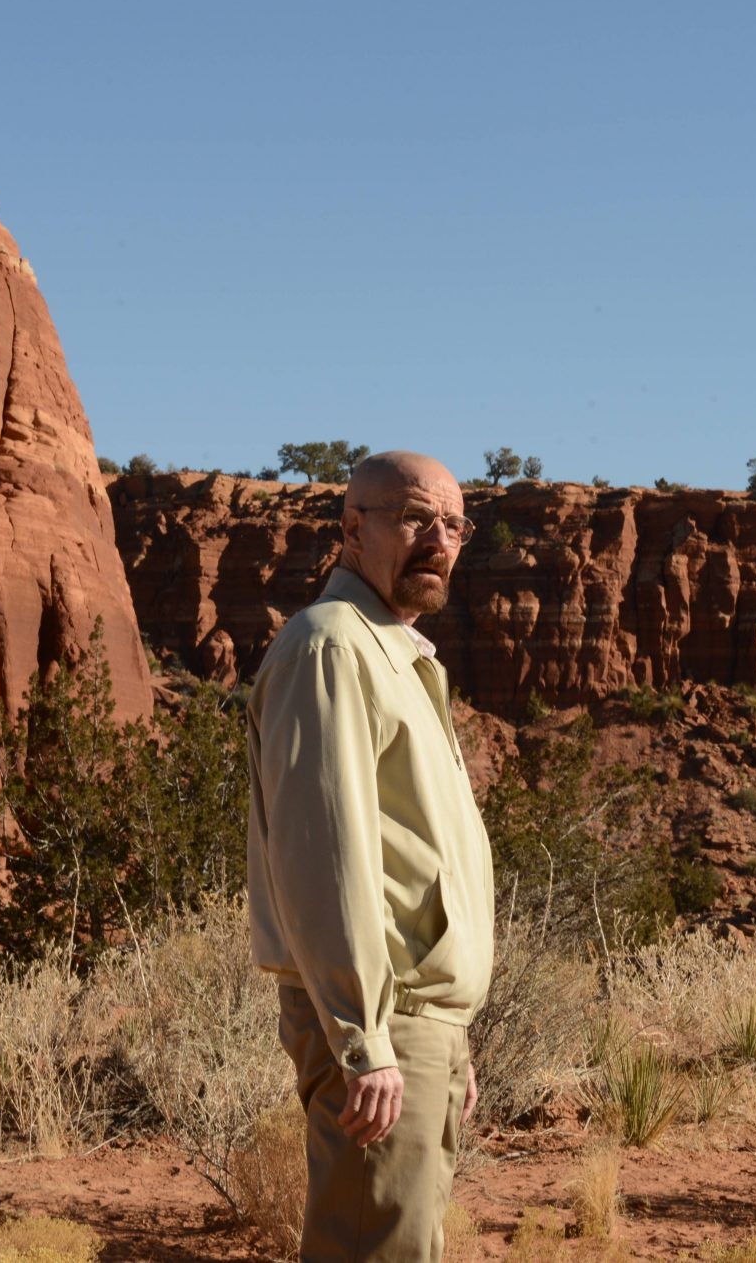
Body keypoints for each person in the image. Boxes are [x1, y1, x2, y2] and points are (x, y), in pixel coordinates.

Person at [245, 450, 496, 1263]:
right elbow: (327, 855)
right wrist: (366, 1040)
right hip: (385, 1023)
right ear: (353, 528)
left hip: (421, 1028)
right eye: (415, 518)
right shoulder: (332, 647)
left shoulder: (398, 655)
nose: (438, 540)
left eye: (453, 525)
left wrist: (448, 1039)